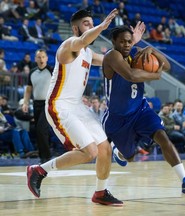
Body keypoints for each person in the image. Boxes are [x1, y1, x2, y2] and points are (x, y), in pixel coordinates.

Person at [26, 9, 146, 206]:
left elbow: (113, 59)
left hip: (77, 107)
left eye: (92, 23)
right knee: (89, 152)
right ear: (76, 28)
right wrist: (101, 27)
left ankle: (100, 192)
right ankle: (39, 170)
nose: (91, 26)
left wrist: (133, 42)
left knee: (104, 148)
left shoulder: (88, 53)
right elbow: (81, 41)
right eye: (87, 24)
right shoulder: (69, 46)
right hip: (59, 106)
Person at [102, 25, 185, 197]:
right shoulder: (112, 56)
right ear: (114, 42)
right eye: (122, 42)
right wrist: (155, 76)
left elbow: (167, 65)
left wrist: (152, 50)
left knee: (163, 137)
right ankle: (120, 151)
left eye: (128, 41)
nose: (126, 45)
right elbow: (132, 75)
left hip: (140, 109)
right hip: (118, 118)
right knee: (130, 156)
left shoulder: (136, 52)